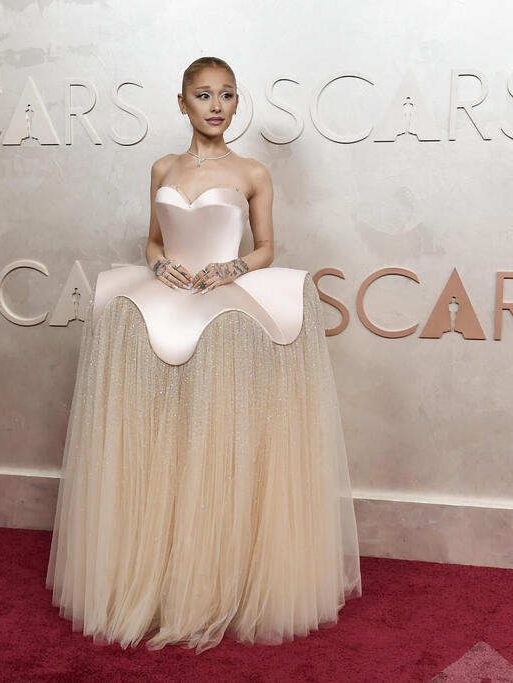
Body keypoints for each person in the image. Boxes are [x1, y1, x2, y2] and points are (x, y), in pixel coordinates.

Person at [46, 56, 362, 654]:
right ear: (182, 102)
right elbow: (153, 240)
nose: (216, 106)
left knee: (218, 437)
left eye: (227, 95)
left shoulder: (252, 171)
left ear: (236, 102)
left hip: (223, 303)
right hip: (166, 299)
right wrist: (158, 264)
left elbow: (267, 247)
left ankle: (217, 580)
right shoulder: (162, 167)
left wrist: (233, 268)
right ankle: (159, 577)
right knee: (161, 434)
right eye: (203, 95)